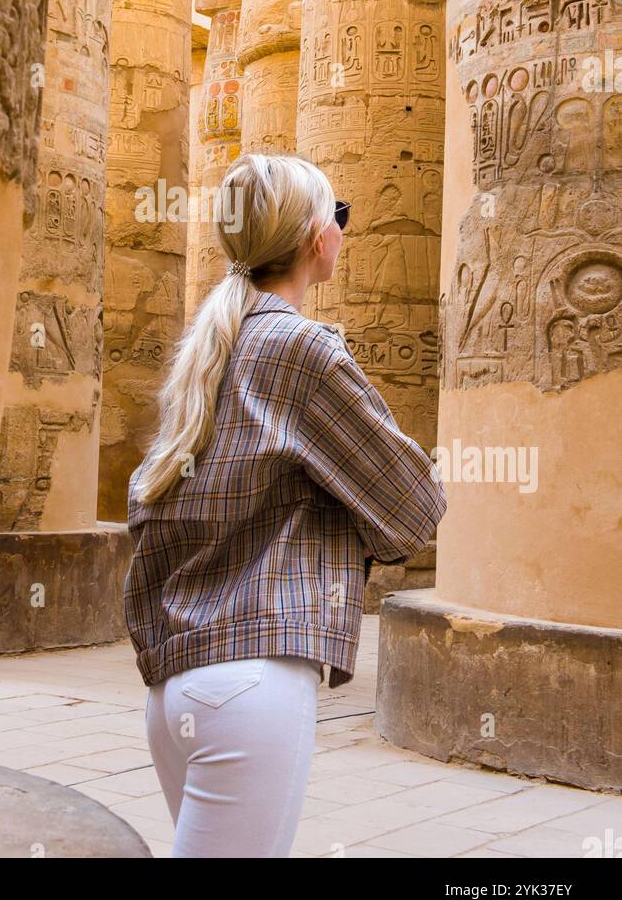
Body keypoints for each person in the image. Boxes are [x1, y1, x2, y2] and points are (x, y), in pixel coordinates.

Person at [122, 153, 446, 858]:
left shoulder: (215, 344)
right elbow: (414, 506)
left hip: (178, 683)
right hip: (251, 682)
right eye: (339, 215)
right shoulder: (299, 347)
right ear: (314, 237)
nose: (341, 230)